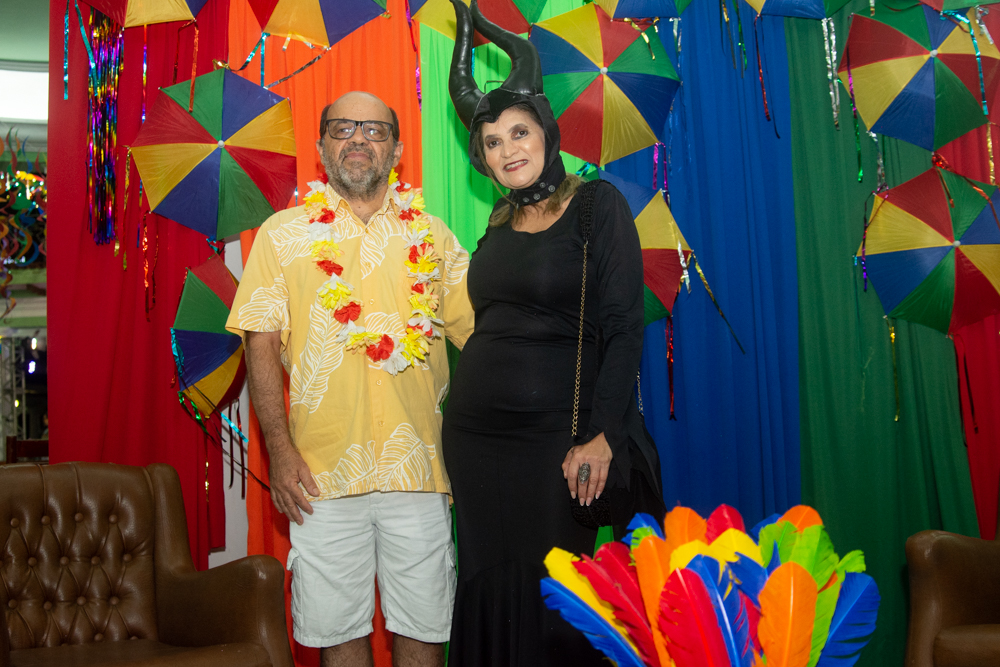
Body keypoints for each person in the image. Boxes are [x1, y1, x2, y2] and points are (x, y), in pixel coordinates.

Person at [440, 3, 666, 666]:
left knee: (554, 593)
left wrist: (601, 435)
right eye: (492, 142)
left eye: (519, 131)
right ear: (482, 158)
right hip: (476, 440)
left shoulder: (597, 205)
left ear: (546, 132)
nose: (508, 149)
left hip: (555, 443)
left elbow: (624, 328)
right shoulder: (496, 225)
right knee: (486, 584)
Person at [226, 91, 474, 667]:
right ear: (321, 147)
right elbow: (260, 343)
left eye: (374, 129)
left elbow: (482, 338)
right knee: (336, 633)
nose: (358, 138)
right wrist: (279, 451)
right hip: (320, 478)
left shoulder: (433, 236)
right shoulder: (281, 235)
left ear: (398, 151)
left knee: (424, 628)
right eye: (342, 128)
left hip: (418, 472)